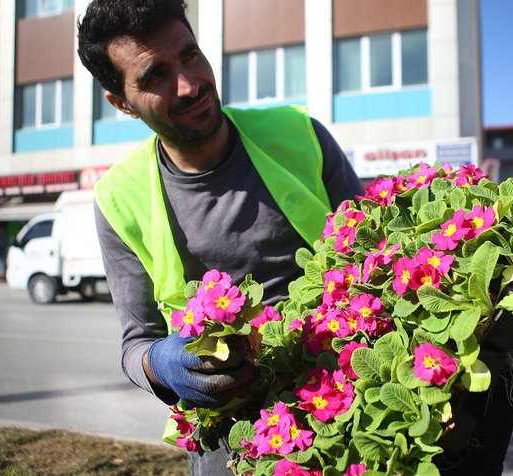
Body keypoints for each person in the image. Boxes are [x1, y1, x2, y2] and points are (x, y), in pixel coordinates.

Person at [76, 1, 364, 474]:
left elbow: (377, 251)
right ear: (121, 102)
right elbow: (136, 344)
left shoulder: (302, 135)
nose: (189, 85)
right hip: (233, 430)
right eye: (155, 76)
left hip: (345, 387)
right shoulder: (117, 197)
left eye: (190, 55)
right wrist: (161, 364)